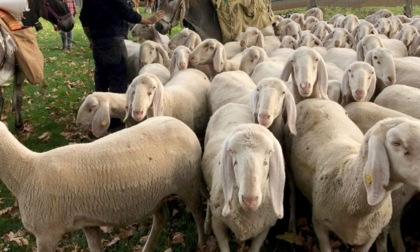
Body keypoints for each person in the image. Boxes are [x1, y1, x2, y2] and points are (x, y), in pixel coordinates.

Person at [79, 0, 164, 131]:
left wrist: (91, 38)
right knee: (117, 82)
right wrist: (149, 20)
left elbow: (83, 19)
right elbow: (126, 12)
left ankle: (97, 118)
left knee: (101, 80)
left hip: (98, 42)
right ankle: (115, 123)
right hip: (114, 42)